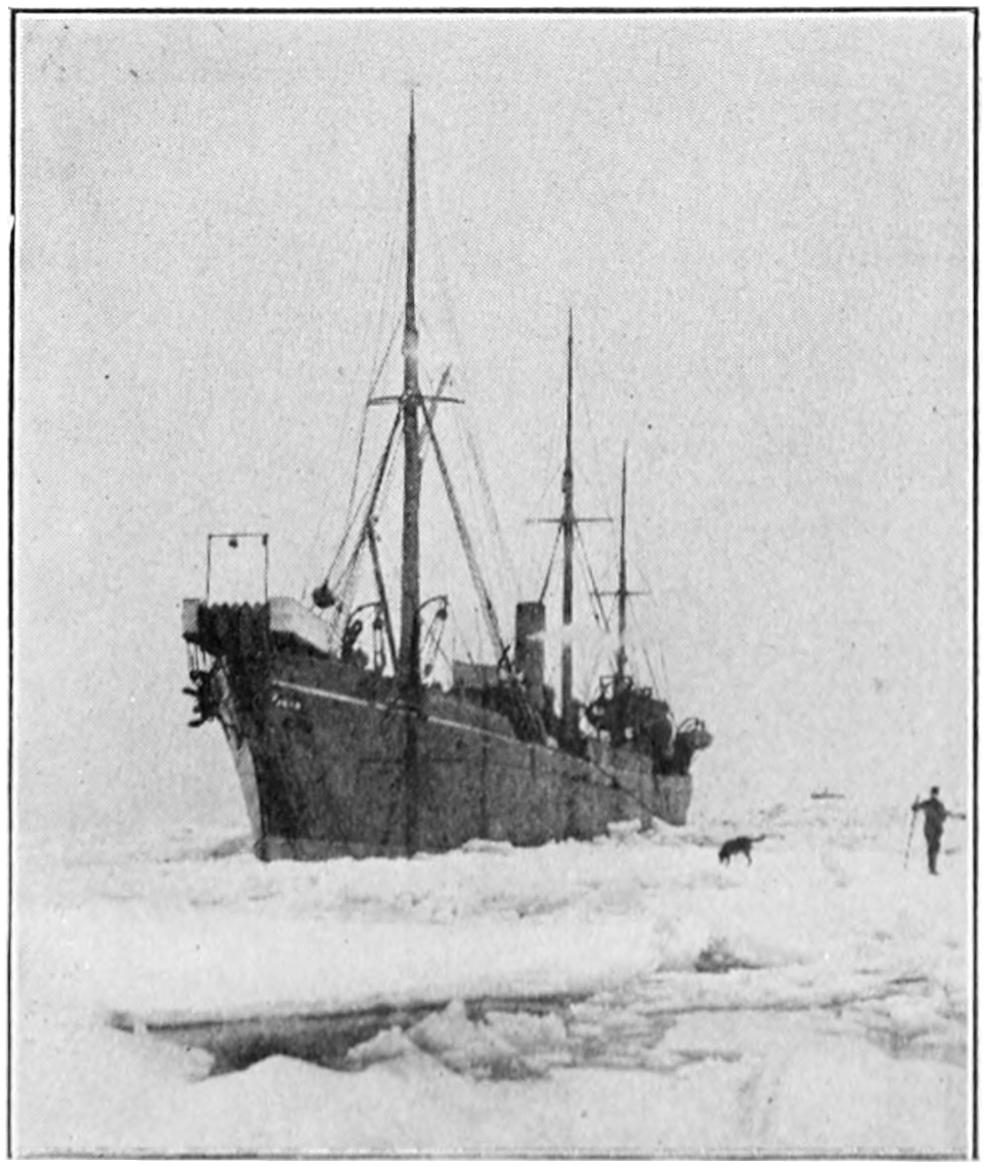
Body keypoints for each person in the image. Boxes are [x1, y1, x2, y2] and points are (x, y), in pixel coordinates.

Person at [911, 787, 962, 875]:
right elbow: (944, 815)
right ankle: (932, 868)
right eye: (934, 793)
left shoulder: (929, 803)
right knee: (933, 847)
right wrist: (915, 807)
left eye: (935, 793)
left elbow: (916, 808)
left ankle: (932, 868)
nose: (934, 795)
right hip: (934, 828)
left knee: (933, 847)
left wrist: (915, 807)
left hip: (932, 829)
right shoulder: (935, 804)